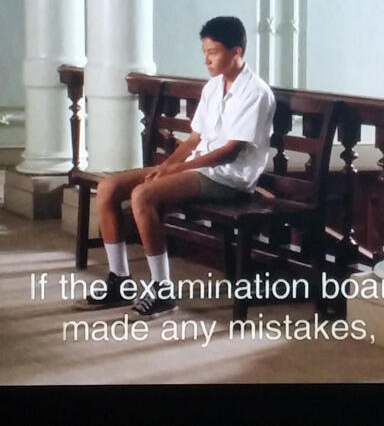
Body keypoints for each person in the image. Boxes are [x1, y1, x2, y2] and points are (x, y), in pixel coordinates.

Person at [75, 16, 276, 319]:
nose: (207, 60)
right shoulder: (213, 87)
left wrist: (174, 171)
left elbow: (229, 152)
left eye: (213, 52)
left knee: (143, 195)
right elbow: (195, 139)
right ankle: (120, 280)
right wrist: (167, 166)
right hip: (201, 170)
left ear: (237, 52)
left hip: (230, 179)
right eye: (205, 52)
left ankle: (163, 291)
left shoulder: (256, 93)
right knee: (108, 188)